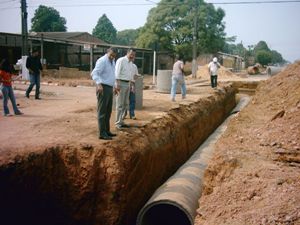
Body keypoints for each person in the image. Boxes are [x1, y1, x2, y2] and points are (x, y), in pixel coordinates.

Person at [91, 47, 118, 140]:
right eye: (111, 55)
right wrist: (98, 84)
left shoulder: (113, 61)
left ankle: (107, 131)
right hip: (103, 87)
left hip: (109, 88)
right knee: (102, 111)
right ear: (107, 52)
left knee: (108, 111)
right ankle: (102, 133)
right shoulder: (102, 61)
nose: (112, 57)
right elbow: (94, 73)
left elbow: (112, 75)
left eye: (114, 56)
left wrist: (114, 86)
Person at [115, 48, 136, 129]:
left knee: (125, 104)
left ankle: (121, 121)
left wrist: (131, 85)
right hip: (121, 83)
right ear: (127, 53)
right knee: (119, 104)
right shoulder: (121, 60)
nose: (132, 56)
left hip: (127, 83)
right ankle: (117, 123)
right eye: (131, 54)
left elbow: (130, 75)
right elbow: (117, 72)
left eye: (133, 55)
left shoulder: (130, 63)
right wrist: (117, 84)